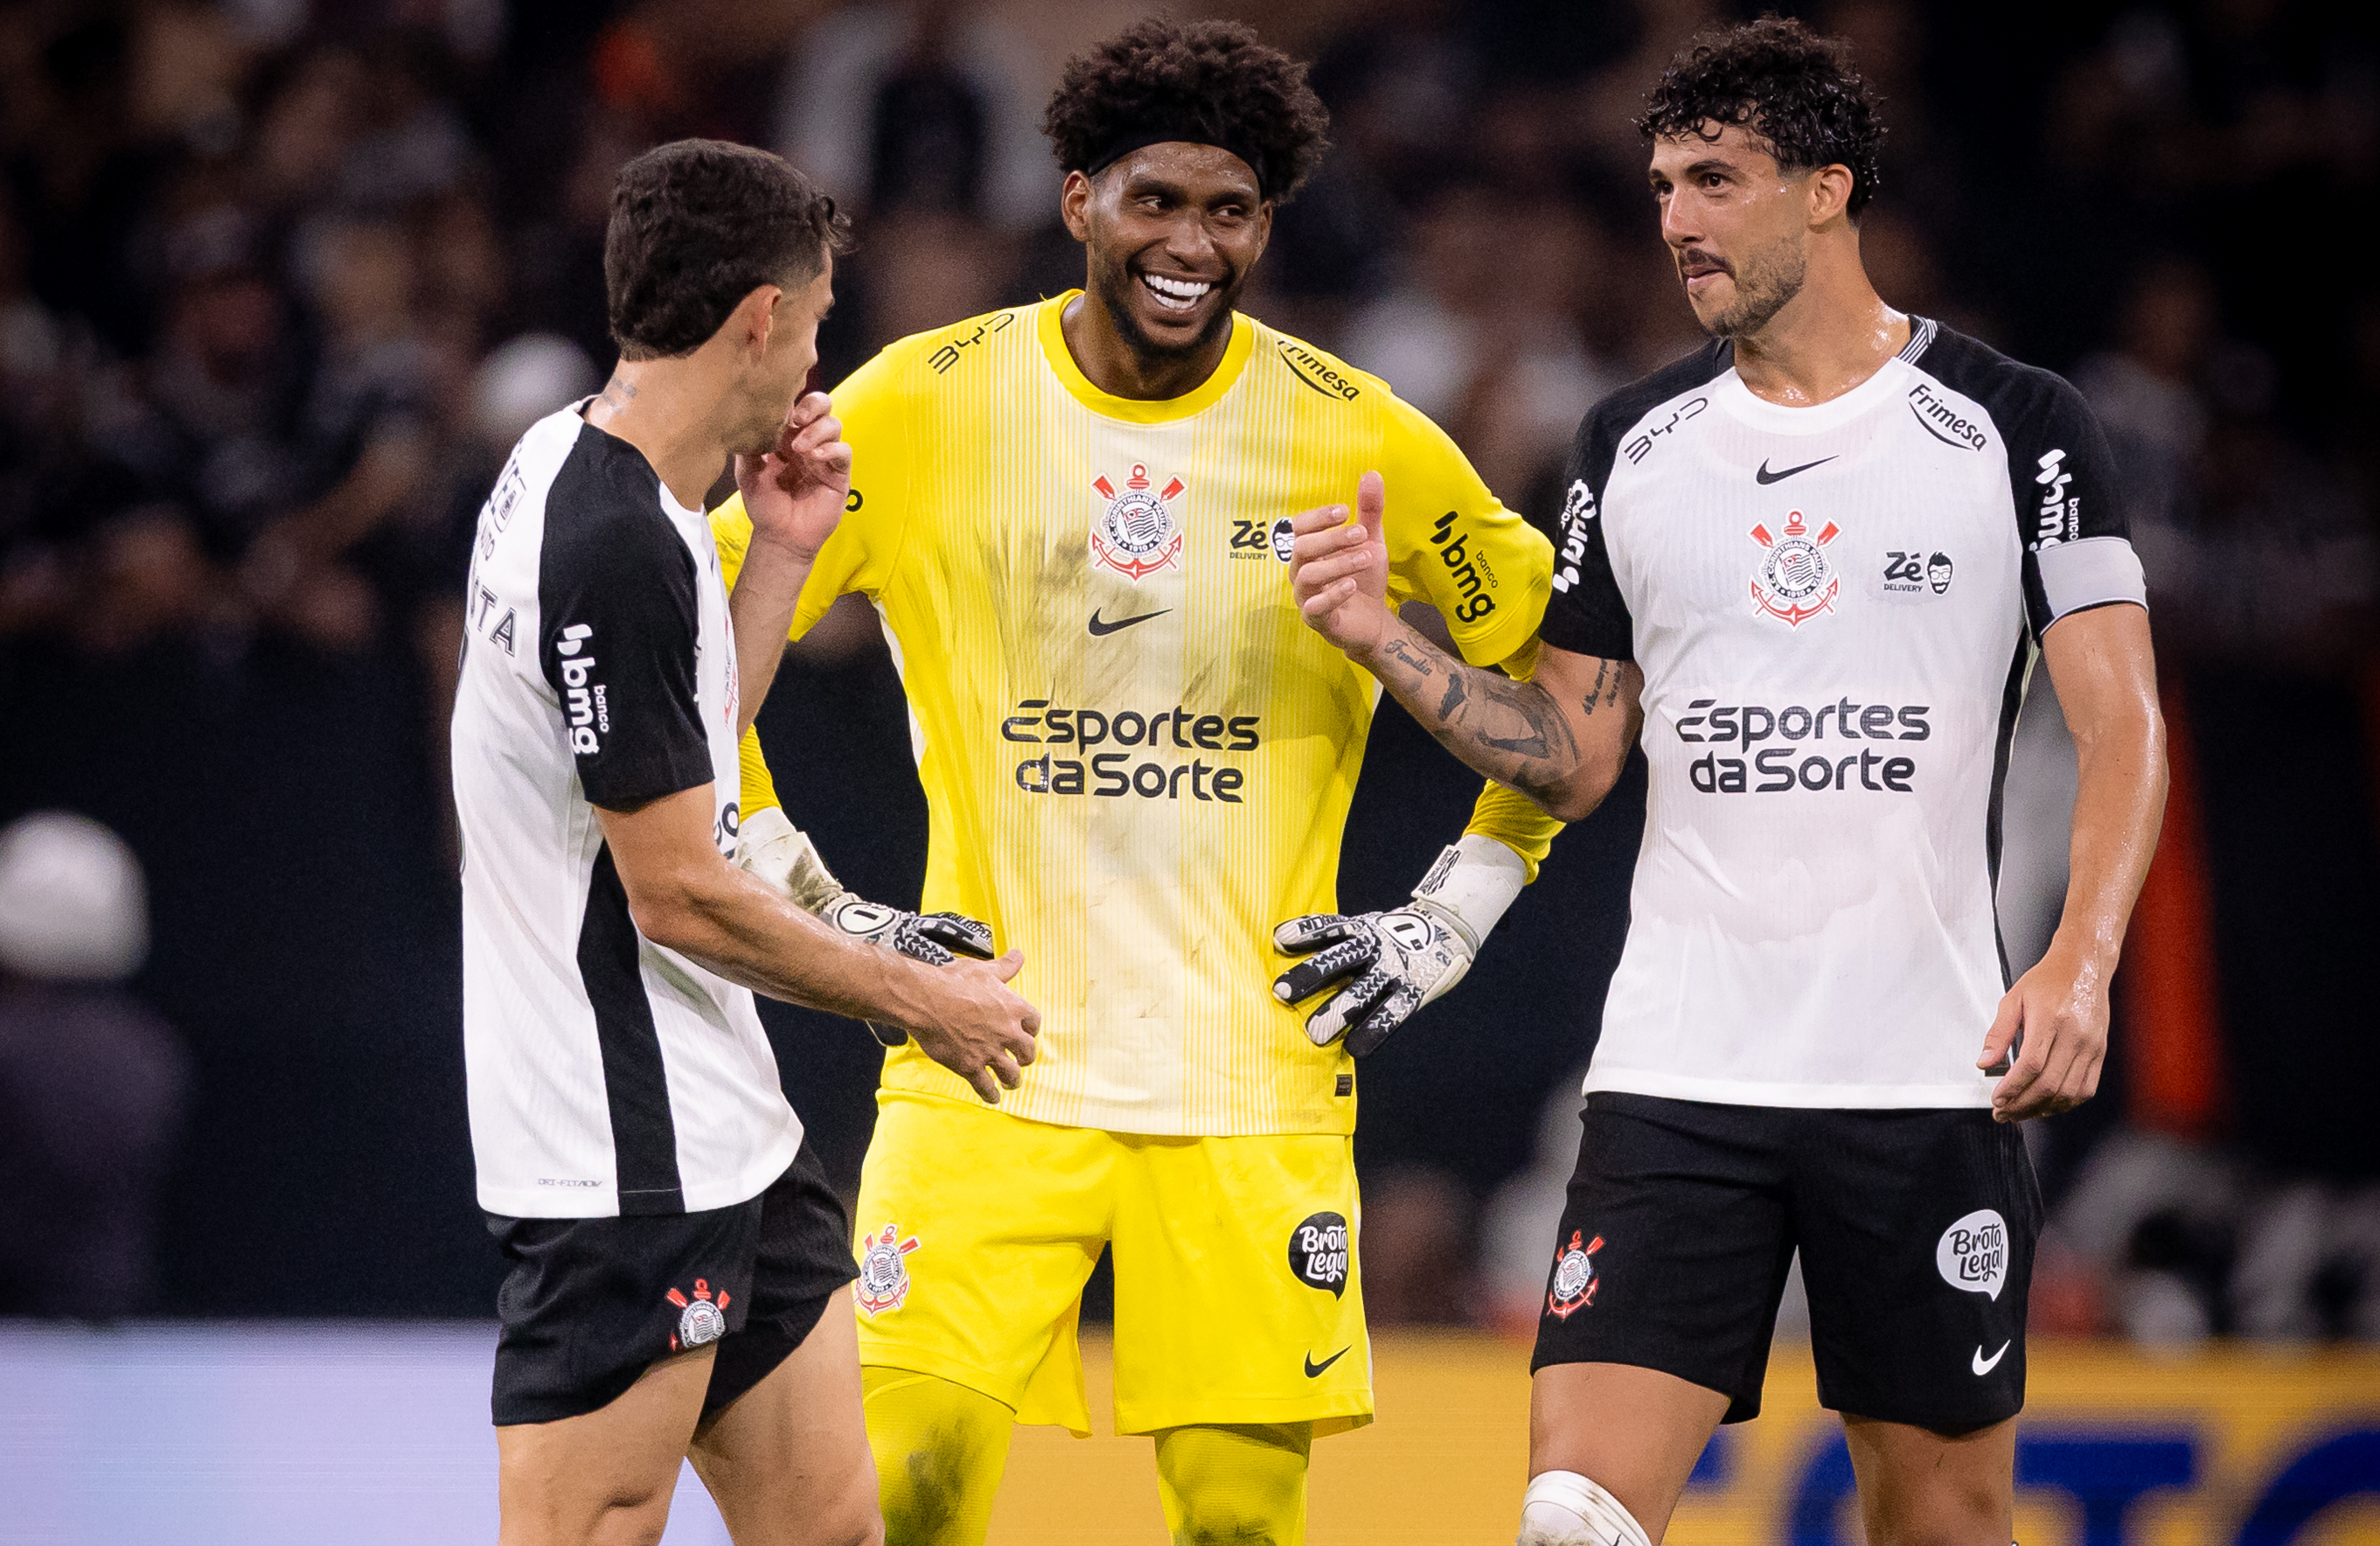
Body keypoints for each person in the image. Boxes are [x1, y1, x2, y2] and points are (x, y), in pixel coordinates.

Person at [1283, 19, 2168, 1546]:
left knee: (1944, 1527)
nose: (1676, 219)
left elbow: (2124, 725)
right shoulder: (1629, 444)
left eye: (1715, 180)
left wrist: (2079, 965)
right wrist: (1381, 639)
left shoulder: (2017, 429)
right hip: (1677, 1077)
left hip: (1921, 1075)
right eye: (1661, 186)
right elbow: (1569, 759)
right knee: (1571, 1516)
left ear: (1827, 190)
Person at [712, 19, 1560, 1543]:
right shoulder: (919, 403)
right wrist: (829, 914)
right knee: (898, 1501)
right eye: (1154, 201)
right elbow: (692, 687)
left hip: (1252, 1089)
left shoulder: (1357, 436)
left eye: (1227, 210)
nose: (1189, 242)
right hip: (989, 1059)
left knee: (1239, 1527)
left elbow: (1574, 712)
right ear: (1077, 200)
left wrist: (1452, 918)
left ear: (1265, 224)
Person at [450, 139, 1040, 1546]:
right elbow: (677, 895)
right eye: (823, 316)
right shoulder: (609, 544)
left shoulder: (581, 468)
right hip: (618, 1161)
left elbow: (682, 758)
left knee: (832, 1529)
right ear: (760, 318)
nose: (821, 352)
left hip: (730, 1136)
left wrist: (777, 554)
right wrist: (923, 1000)